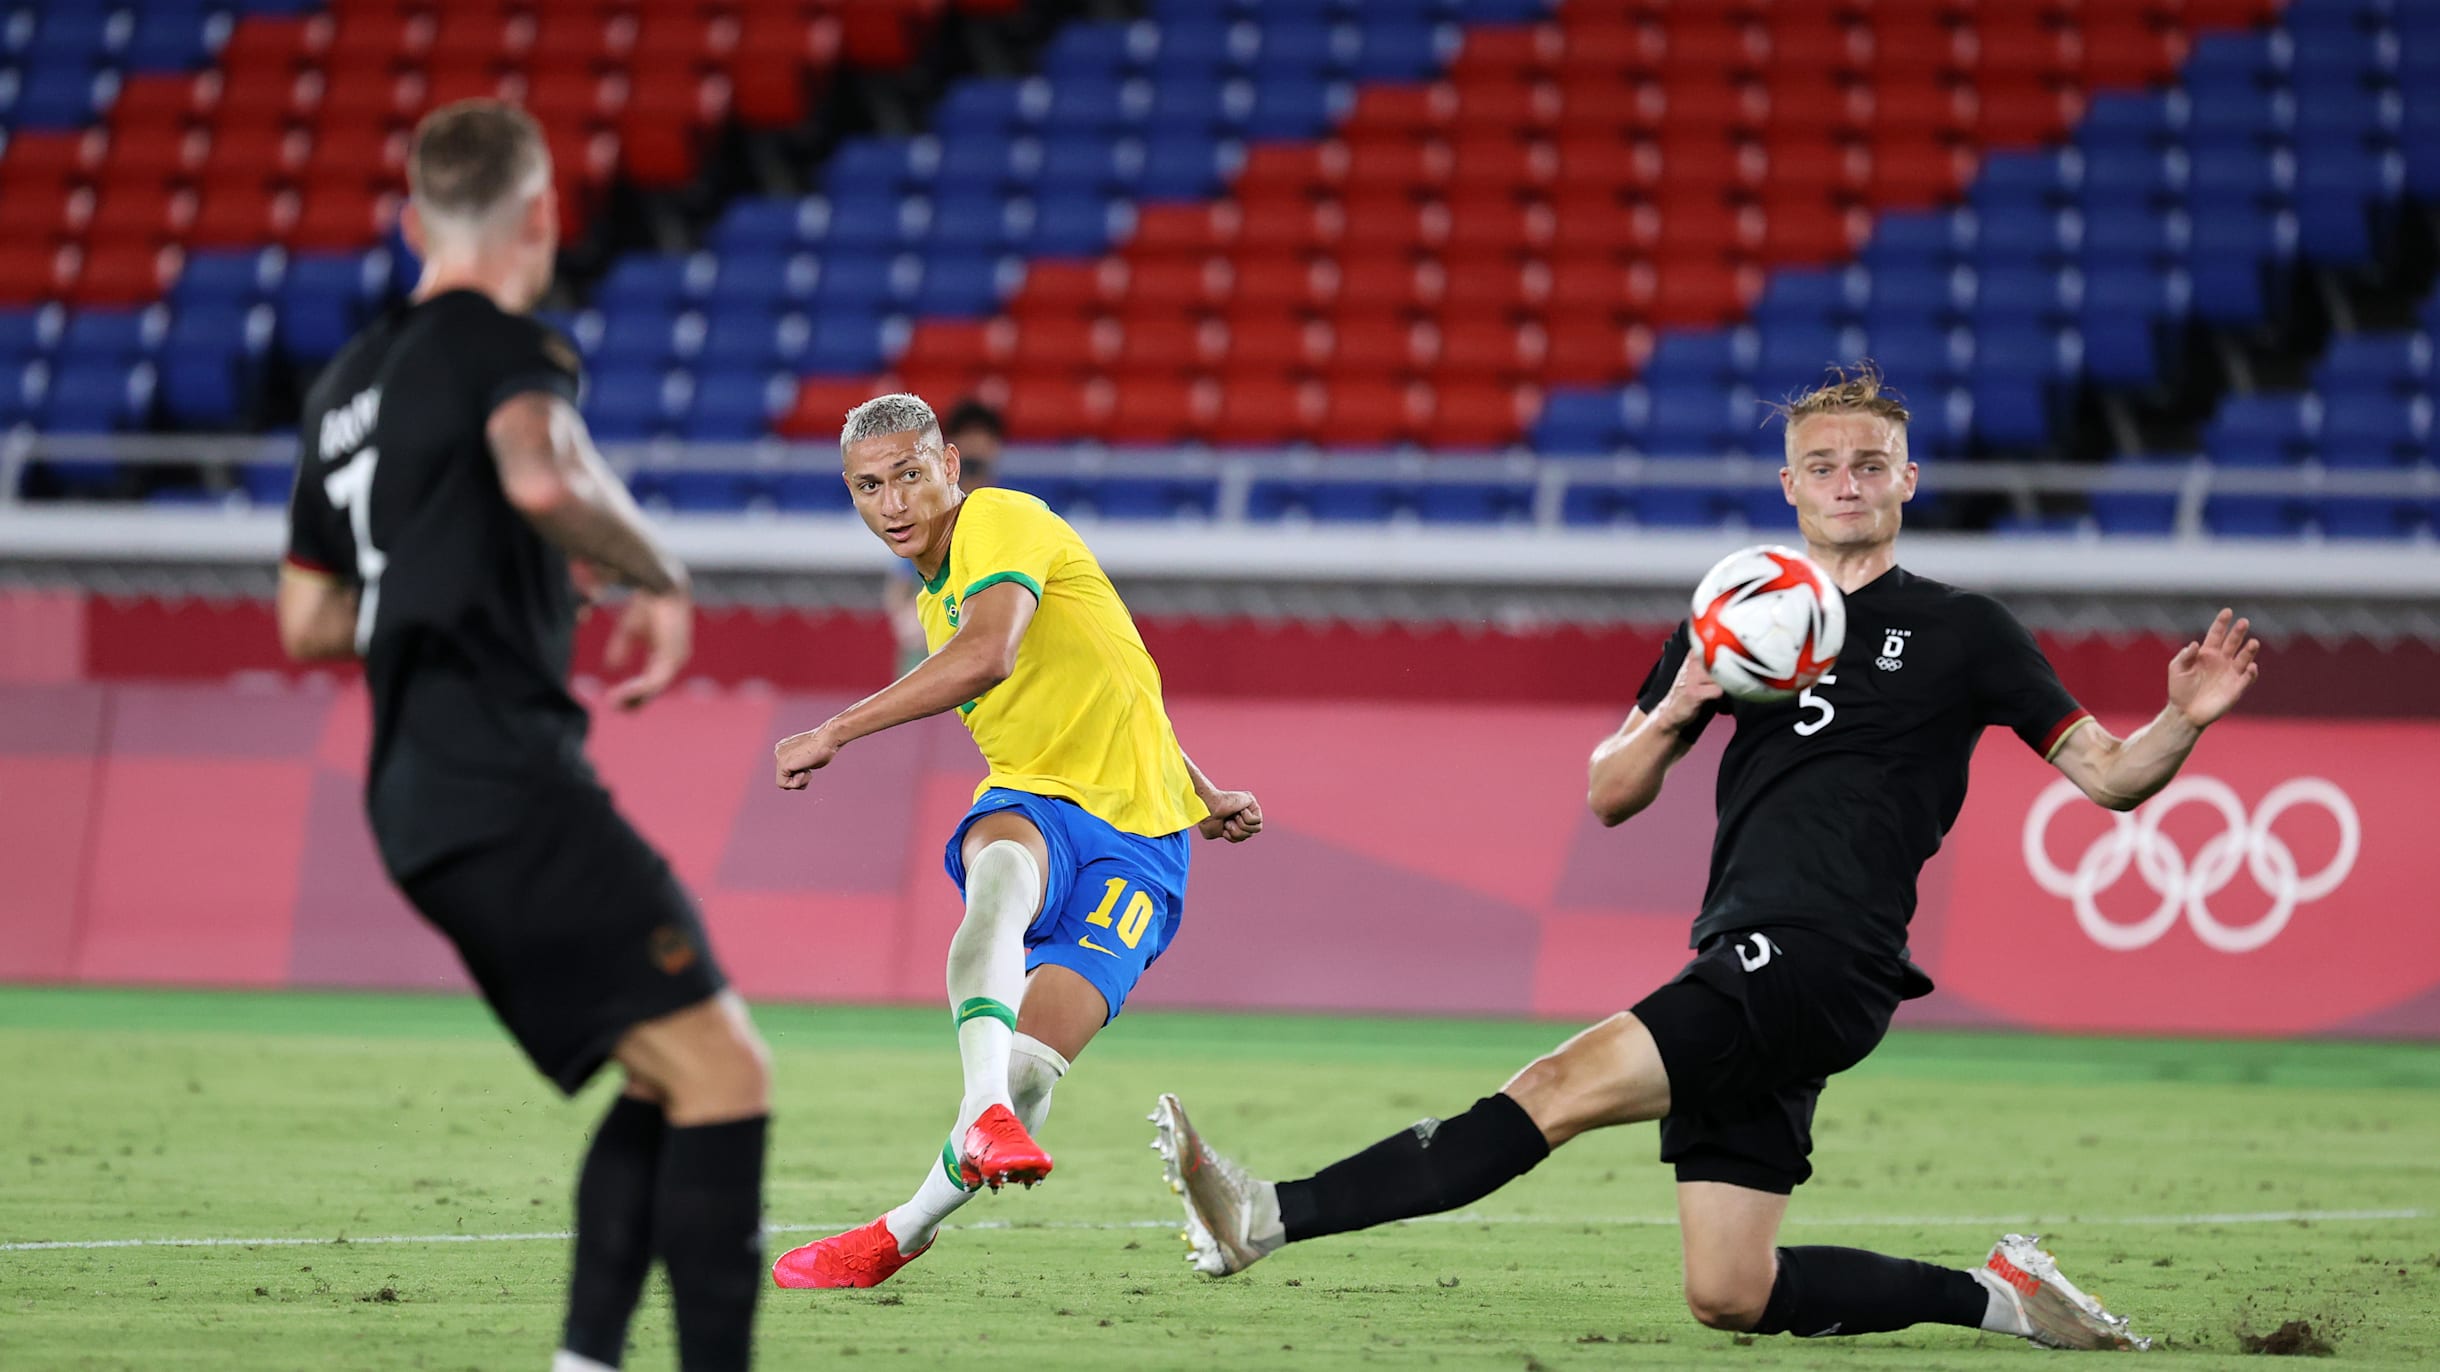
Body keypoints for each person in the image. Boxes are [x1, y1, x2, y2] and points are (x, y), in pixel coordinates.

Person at [1152, 366, 2263, 1351]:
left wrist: (2184, 721)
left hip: (1827, 952)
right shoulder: (1733, 620)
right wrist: (1685, 695)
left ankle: (1269, 1214)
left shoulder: (1962, 629)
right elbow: (1609, 795)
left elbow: (2112, 777)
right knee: (1730, 1290)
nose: (1844, 480)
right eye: (1820, 464)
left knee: (1555, 1087)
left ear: (1906, 481)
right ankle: (2001, 1297)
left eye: (1868, 463)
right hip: (1746, 949)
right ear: (1788, 486)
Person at [275, 100, 770, 1372]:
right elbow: (541, 473)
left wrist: (491, 583)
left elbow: (313, 615)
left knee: (663, 1072)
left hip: (413, 792)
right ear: (543, 214)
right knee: (726, 1072)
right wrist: (658, 572)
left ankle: (585, 1362)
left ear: (410, 221)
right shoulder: (501, 345)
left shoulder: (342, 392)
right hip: (499, 774)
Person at [766, 392, 1261, 1289]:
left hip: (1141, 844)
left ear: (951, 468)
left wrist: (834, 729)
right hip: (1039, 801)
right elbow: (1114, 678)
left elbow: (992, 655)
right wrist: (1207, 787)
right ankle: (981, 1115)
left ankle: (903, 1229)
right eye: (869, 487)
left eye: (911, 476)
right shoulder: (934, 606)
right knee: (998, 873)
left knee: (1032, 1073)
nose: (894, 504)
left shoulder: (1000, 518)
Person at [884, 398, 1002, 676]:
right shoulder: (929, 510)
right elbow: (901, 582)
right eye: (968, 436)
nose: (975, 445)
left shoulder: (1009, 508)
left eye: (982, 437)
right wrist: (907, 620)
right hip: (929, 650)